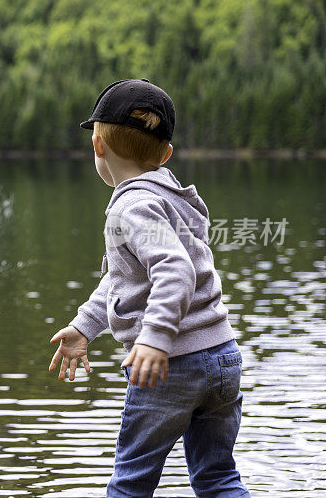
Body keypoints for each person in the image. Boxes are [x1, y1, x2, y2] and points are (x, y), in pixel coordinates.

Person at [48, 79, 250, 497]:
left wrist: (156, 340)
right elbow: (126, 279)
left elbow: (174, 271)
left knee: (131, 483)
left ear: (98, 146)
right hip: (223, 359)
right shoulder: (171, 197)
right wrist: (85, 326)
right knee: (218, 478)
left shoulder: (130, 207)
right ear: (165, 154)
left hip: (171, 366)